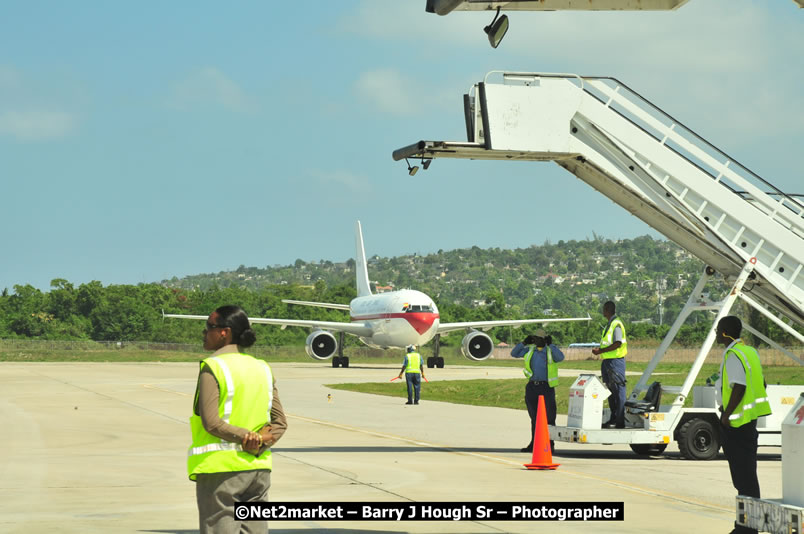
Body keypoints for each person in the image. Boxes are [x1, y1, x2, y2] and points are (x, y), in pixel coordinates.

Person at [189, 305, 288, 534]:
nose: (204, 333)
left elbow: (211, 422)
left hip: (222, 471)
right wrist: (259, 442)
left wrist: (247, 437)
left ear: (224, 332)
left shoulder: (213, 367)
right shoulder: (262, 368)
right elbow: (280, 423)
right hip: (258, 470)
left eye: (208, 327)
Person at [715, 316, 771, 534]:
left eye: (719, 330)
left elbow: (739, 386)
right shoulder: (750, 352)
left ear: (726, 332)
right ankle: (746, 525)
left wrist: (726, 416)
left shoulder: (732, 354)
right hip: (749, 421)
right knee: (747, 477)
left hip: (737, 424)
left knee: (743, 479)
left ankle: (747, 528)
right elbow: (761, 382)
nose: (716, 334)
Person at [511, 328, 564, 453]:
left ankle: (549, 444)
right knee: (534, 418)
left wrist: (551, 344)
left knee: (549, 417)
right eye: (535, 338)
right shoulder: (530, 350)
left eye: (539, 338)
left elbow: (560, 357)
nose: (536, 340)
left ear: (544, 339)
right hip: (532, 386)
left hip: (546, 387)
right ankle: (534, 443)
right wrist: (524, 343)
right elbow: (514, 353)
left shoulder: (550, 351)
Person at [592, 301, 627, 429]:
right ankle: (614, 417)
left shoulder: (615, 324)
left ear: (607, 309)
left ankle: (619, 420)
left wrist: (600, 351)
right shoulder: (610, 324)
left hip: (615, 361)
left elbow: (617, 343)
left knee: (618, 390)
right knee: (611, 391)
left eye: (604, 309)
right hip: (608, 361)